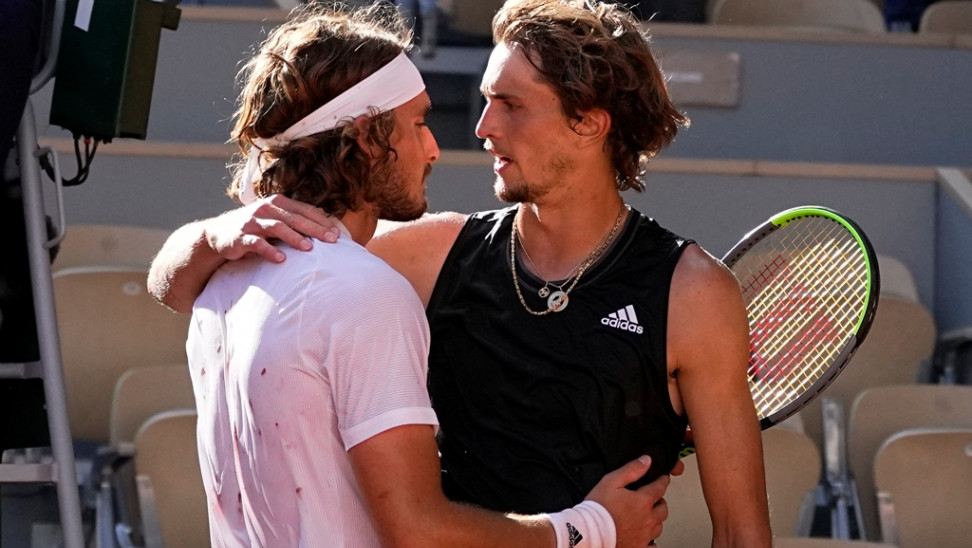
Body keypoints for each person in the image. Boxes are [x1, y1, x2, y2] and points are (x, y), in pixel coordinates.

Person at [149, 1, 771, 546]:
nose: (482, 128)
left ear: (588, 122)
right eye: (486, 100)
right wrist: (208, 236)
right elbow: (181, 286)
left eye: (511, 105)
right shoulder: (425, 253)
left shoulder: (694, 294)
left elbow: (743, 534)